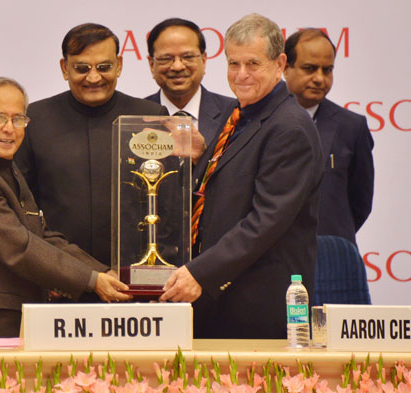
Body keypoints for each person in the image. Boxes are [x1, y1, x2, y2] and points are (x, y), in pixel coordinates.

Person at [159, 13, 324, 339]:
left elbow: (265, 221)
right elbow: (226, 192)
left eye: (253, 64)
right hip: (223, 299)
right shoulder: (240, 115)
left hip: (257, 306)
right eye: (234, 63)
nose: (241, 74)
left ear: (279, 64)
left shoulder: (289, 127)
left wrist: (200, 273)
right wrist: (200, 160)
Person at [0, 77, 131, 339]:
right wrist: (91, 280)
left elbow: (42, 235)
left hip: (7, 316)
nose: (9, 129)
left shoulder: (0, 164)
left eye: (18, 119)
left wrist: (104, 272)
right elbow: (20, 247)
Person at [15, 23, 168, 269]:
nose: (94, 77)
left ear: (119, 66)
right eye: (82, 68)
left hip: (133, 274)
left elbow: (167, 201)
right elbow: (22, 204)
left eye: (104, 67)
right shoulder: (35, 119)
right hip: (58, 273)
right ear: (65, 68)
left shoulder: (150, 117)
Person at [284, 29, 374, 245]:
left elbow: (360, 202)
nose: (319, 79)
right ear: (285, 68)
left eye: (327, 70)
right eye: (309, 69)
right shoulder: (258, 120)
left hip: (331, 257)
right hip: (271, 260)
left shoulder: (352, 127)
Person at [145, 18, 236, 147]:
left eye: (187, 57)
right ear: (151, 64)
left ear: (203, 60)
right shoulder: (135, 116)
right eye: (166, 58)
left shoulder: (234, 114)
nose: (177, 66)